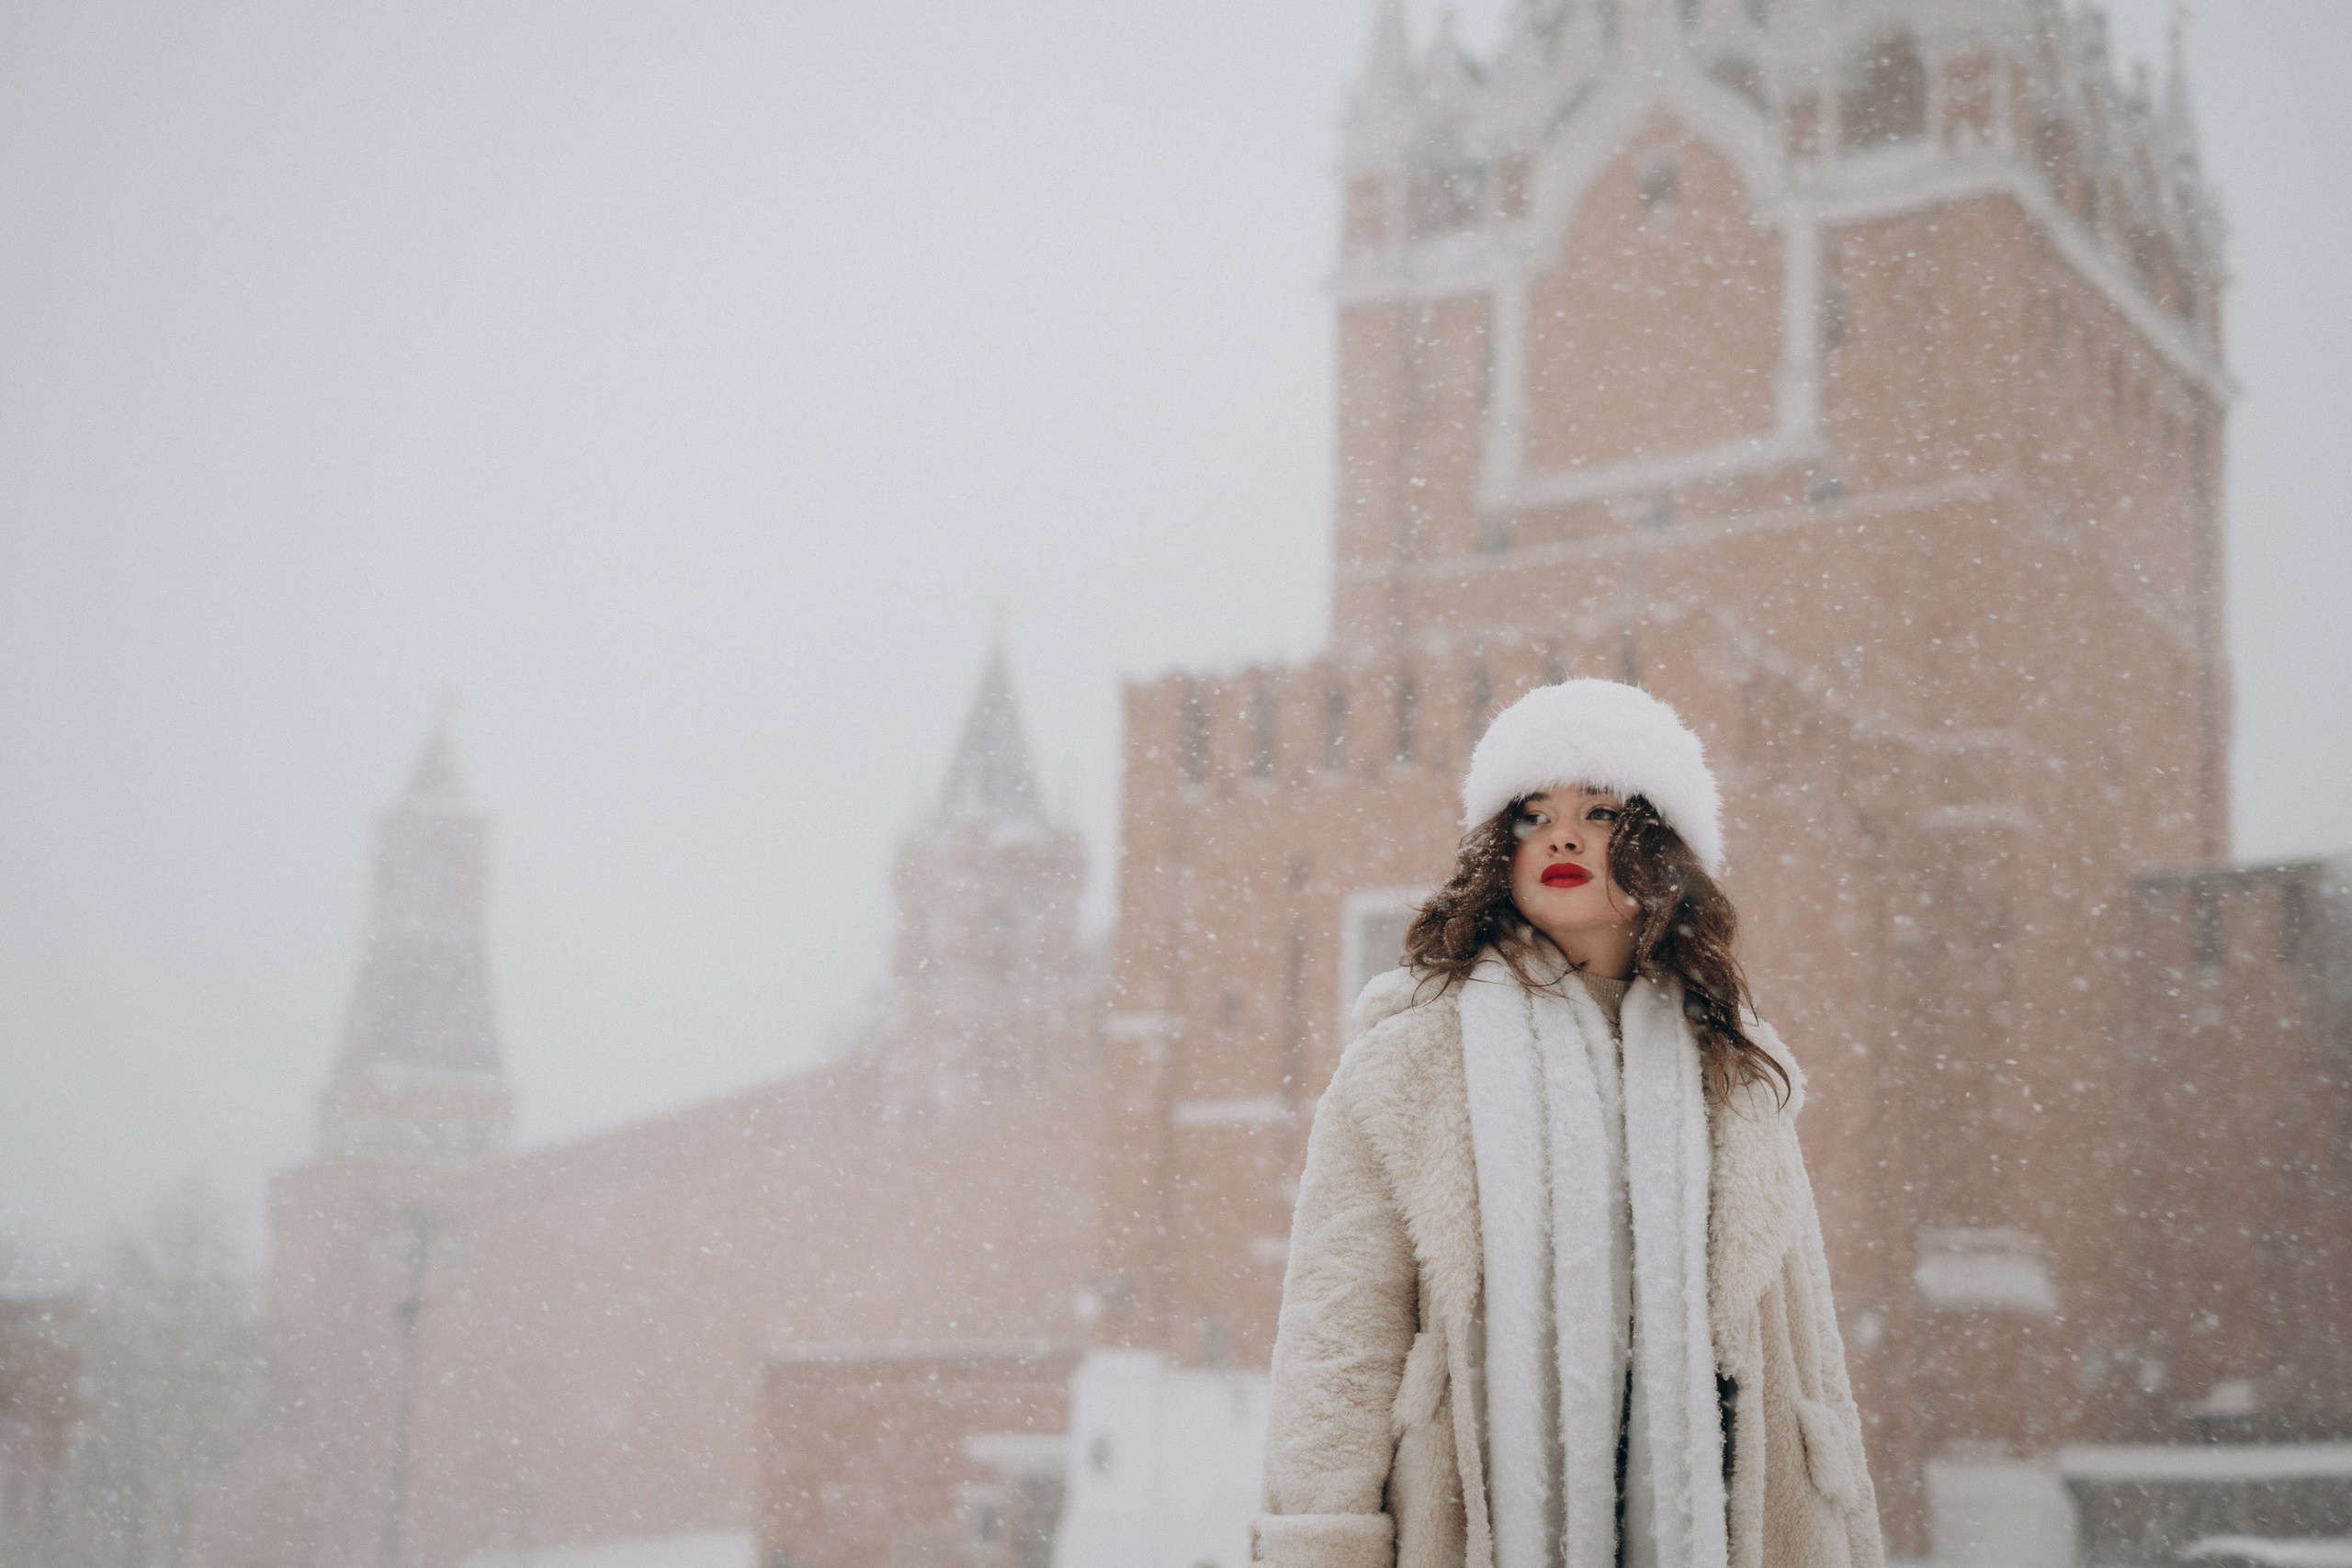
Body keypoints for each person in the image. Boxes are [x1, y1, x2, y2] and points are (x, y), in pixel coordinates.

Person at [1249, 679, 1883, 1568]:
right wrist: (1320, 1542)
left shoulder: (1736, 1072)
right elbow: (1336, 1355)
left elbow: (1806, 1358)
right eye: (1533, 813)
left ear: (1660, 846)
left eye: (1600, 810)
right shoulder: (1410, 1063)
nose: (1562, 834)